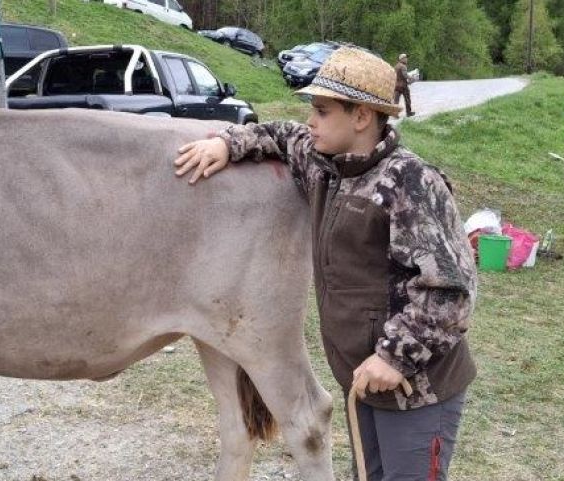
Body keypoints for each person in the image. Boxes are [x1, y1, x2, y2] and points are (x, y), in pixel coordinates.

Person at [173, 47, 477, 481]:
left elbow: (450, 291)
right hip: (365, 381)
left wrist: (394, 357)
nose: (310, 122)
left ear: (361, 118)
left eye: (321, 110)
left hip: (415, 388)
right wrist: (227, 142)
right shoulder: (325, 168)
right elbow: (279, 134)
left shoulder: (410, 182)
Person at [394, 53, 415, 117]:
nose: (407, 59)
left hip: (396, 86)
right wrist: (412, 78)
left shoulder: (396, 66)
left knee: (396, 101)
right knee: (407, 99)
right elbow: (405, 75)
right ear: (402, 59)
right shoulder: (403, 66)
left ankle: (395, 114)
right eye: (405, 58)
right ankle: (409, 113)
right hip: (403, 86)